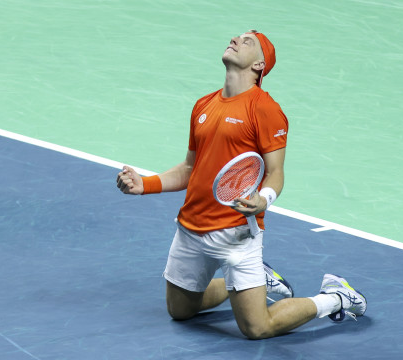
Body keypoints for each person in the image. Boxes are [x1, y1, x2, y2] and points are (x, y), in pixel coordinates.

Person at [116, 30, 366, 339]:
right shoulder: (203, 105)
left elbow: (275, 172)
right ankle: (260, 278)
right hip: (191, 228)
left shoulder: (265, 110)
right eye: (237, 37)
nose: (236, 39)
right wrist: (146, 183)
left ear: (260, 65)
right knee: (179, 310)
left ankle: (337, 296)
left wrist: (264, 199)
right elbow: (190, 168)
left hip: (236, 233)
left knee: (257, 328)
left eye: (247, 41)